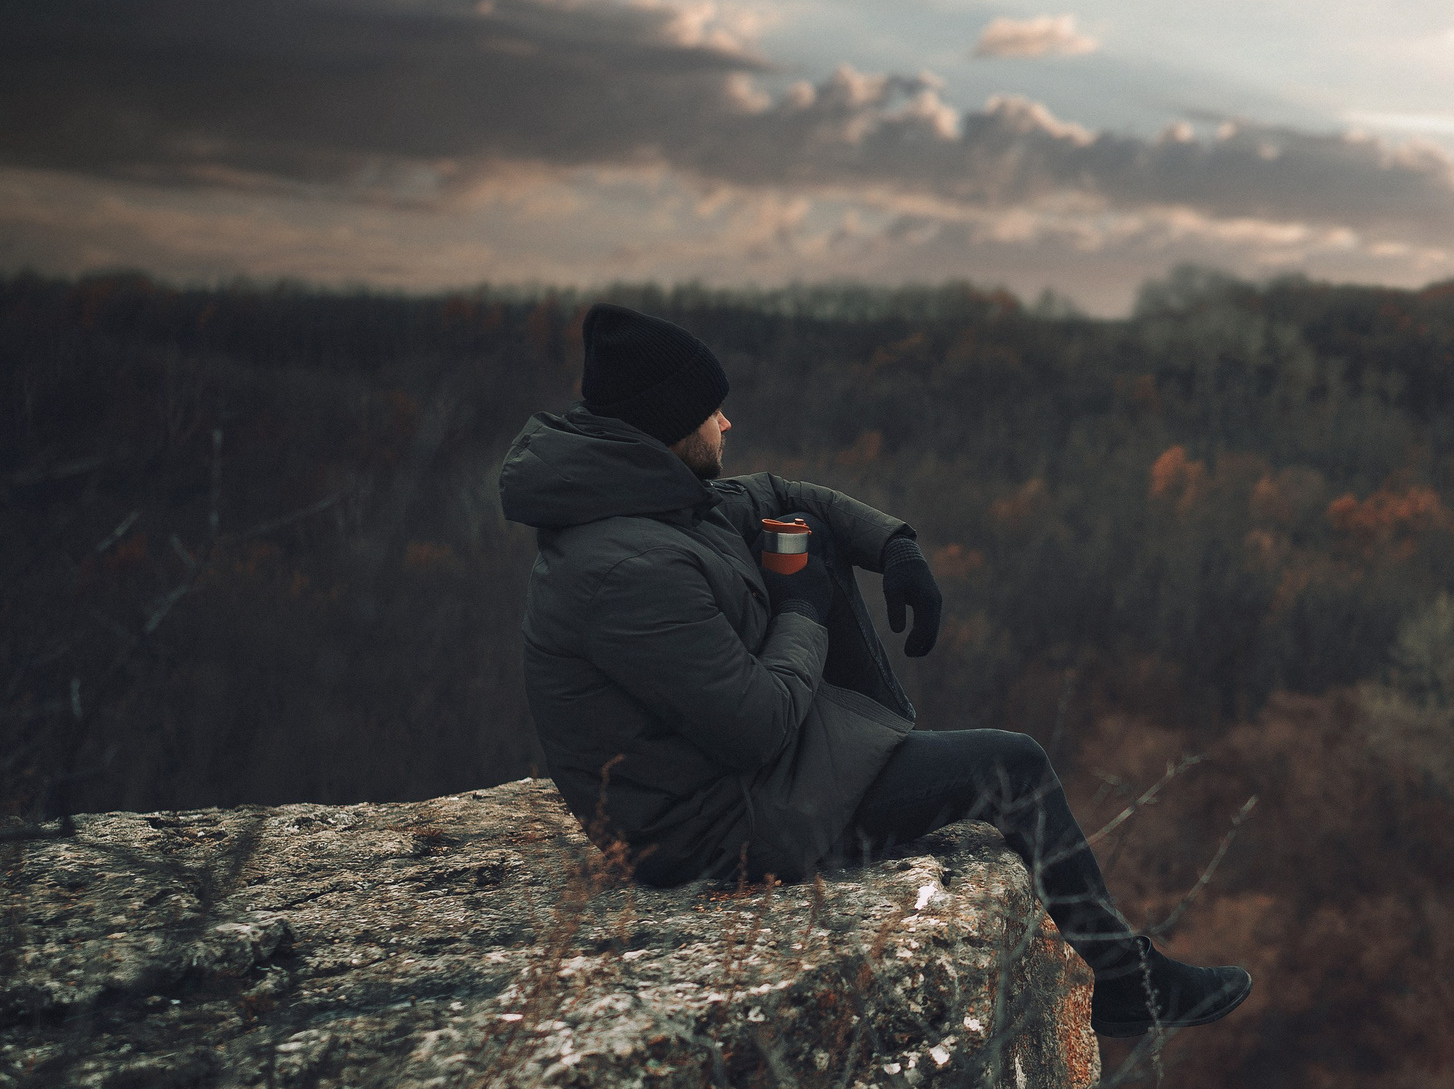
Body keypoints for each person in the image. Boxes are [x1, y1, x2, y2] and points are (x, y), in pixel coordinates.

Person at [498, 302, 1250, 1038]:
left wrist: (895, 548)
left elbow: (784, 495)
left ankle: (897, 752)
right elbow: (755, 728)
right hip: (714, 831)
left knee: (805, 537)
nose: (727, 424)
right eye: (711, 411)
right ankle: (1127, 983)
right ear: (667, 425)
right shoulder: (629, 566)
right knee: (1013, 765)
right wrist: (802, 606)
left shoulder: (655, 503)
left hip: (734, 783)